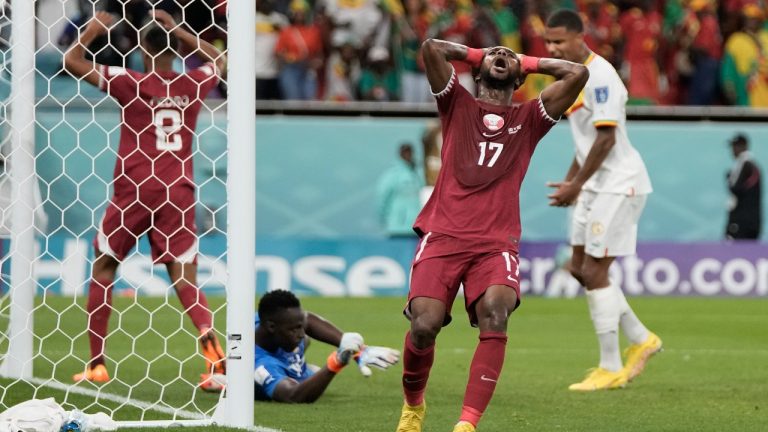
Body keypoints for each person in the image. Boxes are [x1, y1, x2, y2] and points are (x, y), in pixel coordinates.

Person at [395, 36, 589, 432]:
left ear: (519, 77)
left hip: (496, 243)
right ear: (478, 69)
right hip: (444, 235)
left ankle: (467, 424)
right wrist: (481, 55)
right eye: (493, 54)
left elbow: (577, 72)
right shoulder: (455, 103)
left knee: (496, 315)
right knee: (424, 325)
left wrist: (524, 60)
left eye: (508, 56)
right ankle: (413, 407)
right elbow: (432, 47)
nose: (501, 56)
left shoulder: (531, 118)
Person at [63, 10, 228, 391]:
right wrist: (181, 31)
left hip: (134, 188)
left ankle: (97, 363)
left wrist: (92, 32)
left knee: (105, 268)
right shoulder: (193, 82)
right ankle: (213, 354)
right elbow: (221, 61)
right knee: (185, 279)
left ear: (140, 47)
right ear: (175, 50)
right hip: (178, 190)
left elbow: (71, 62)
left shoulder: (129, 81)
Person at [543, 9, 662, 392]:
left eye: (559, 41)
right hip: (594, 184)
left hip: (619, 184)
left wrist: (576, 185)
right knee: (579, 269)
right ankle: (642, 338)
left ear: (581, 37)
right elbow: (585, 141)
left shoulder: (602, 77)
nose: (552, 48)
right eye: (548, 42)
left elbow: (606, 138)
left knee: (595, 271)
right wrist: (571, 180)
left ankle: (610, 366)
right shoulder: (572, 77)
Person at [254, 290, 400, 402]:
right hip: (284, 376)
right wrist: (335, 364)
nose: (300, 332)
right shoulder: (260, 364)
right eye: (294, 329)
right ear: (271, 326)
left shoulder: (270, 321)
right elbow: (292, 396)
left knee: (305, 340)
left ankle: (301, 367)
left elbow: (307, 320)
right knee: (310, 366)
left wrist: (354, 347)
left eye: (300, 327)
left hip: (287, 358)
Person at [376, 143, 424, 237]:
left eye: (410, 151)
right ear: (400, 153)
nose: (408, 154)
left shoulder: (418, 173)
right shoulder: (392, 175)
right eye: (405, 151)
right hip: (397, 228)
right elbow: (382, 198)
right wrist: (386, 219)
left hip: (417, 229)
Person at [725, 134, 762, 240]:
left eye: (735, 146)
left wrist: (729, 179)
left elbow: (737, 189)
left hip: (743, 221)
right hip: (745, 221)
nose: (732, 150)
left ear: (743, 146)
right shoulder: (746, 165)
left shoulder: (747, 165)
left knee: (732, 250)